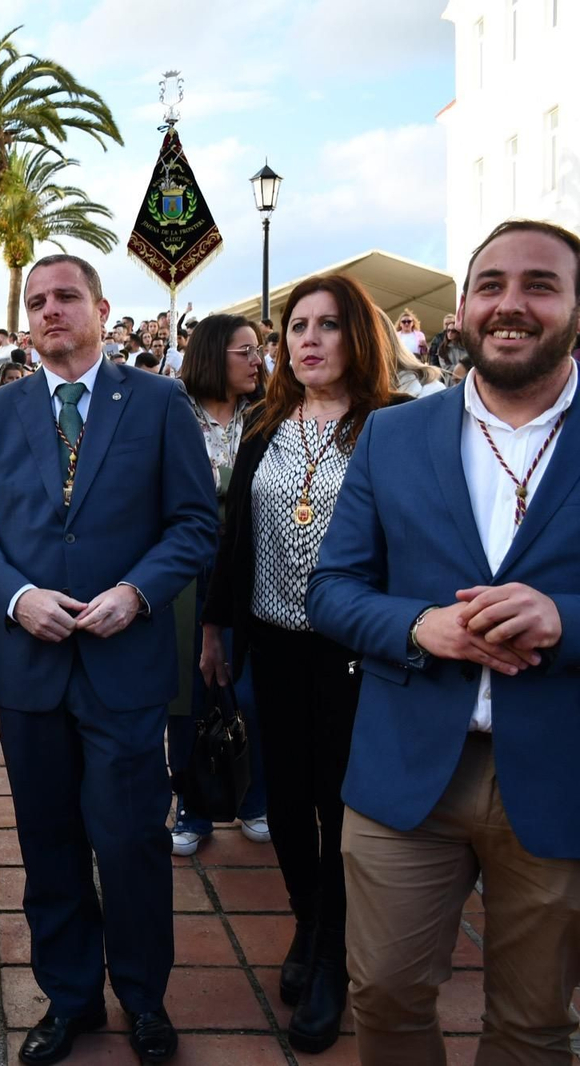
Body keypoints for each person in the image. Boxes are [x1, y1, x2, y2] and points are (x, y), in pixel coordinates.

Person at [307, 219, 580, 1066]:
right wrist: (421, 626)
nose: (512, 304)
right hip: (407, 766)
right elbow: (332, 589)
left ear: (575, 306)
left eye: (540, 284)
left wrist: (565, 617)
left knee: (534, 1027)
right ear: (460, 310)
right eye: (491, 285)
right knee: (382, 997)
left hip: (561, 770)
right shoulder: (396, 435)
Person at [0, 254, 217, 1065]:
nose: (50, 310)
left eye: (67, 297)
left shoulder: (160, 403)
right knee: (49, 840)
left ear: (102, 308)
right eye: (37, 301)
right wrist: (16, 597)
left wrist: (138, 592)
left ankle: (142, 999)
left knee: (131, 841)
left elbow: (195, 524)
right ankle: (70, 1000)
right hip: (29, 667)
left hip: (125, 662)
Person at [199, 273, 403, 1054]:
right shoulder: (264, 426)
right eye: (296, 328)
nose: (308, 340)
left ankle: (332, 961)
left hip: (360, 652)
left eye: (328, 325)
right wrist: (217, 624)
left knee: (342, 802)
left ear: (360, 337)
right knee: (283, 799)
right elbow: (234, 538)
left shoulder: (393, 426)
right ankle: (310, 922)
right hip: (273, 641)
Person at [168, 316, 271, 857]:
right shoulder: (173, 411)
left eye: (259, 350)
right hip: (186, 571)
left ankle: (256, 796)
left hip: (253, 566)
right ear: (213, 355)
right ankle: (194, 803)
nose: (257, 361)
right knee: (188, 693)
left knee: (250, 688)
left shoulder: (269, 415)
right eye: (245, 351)